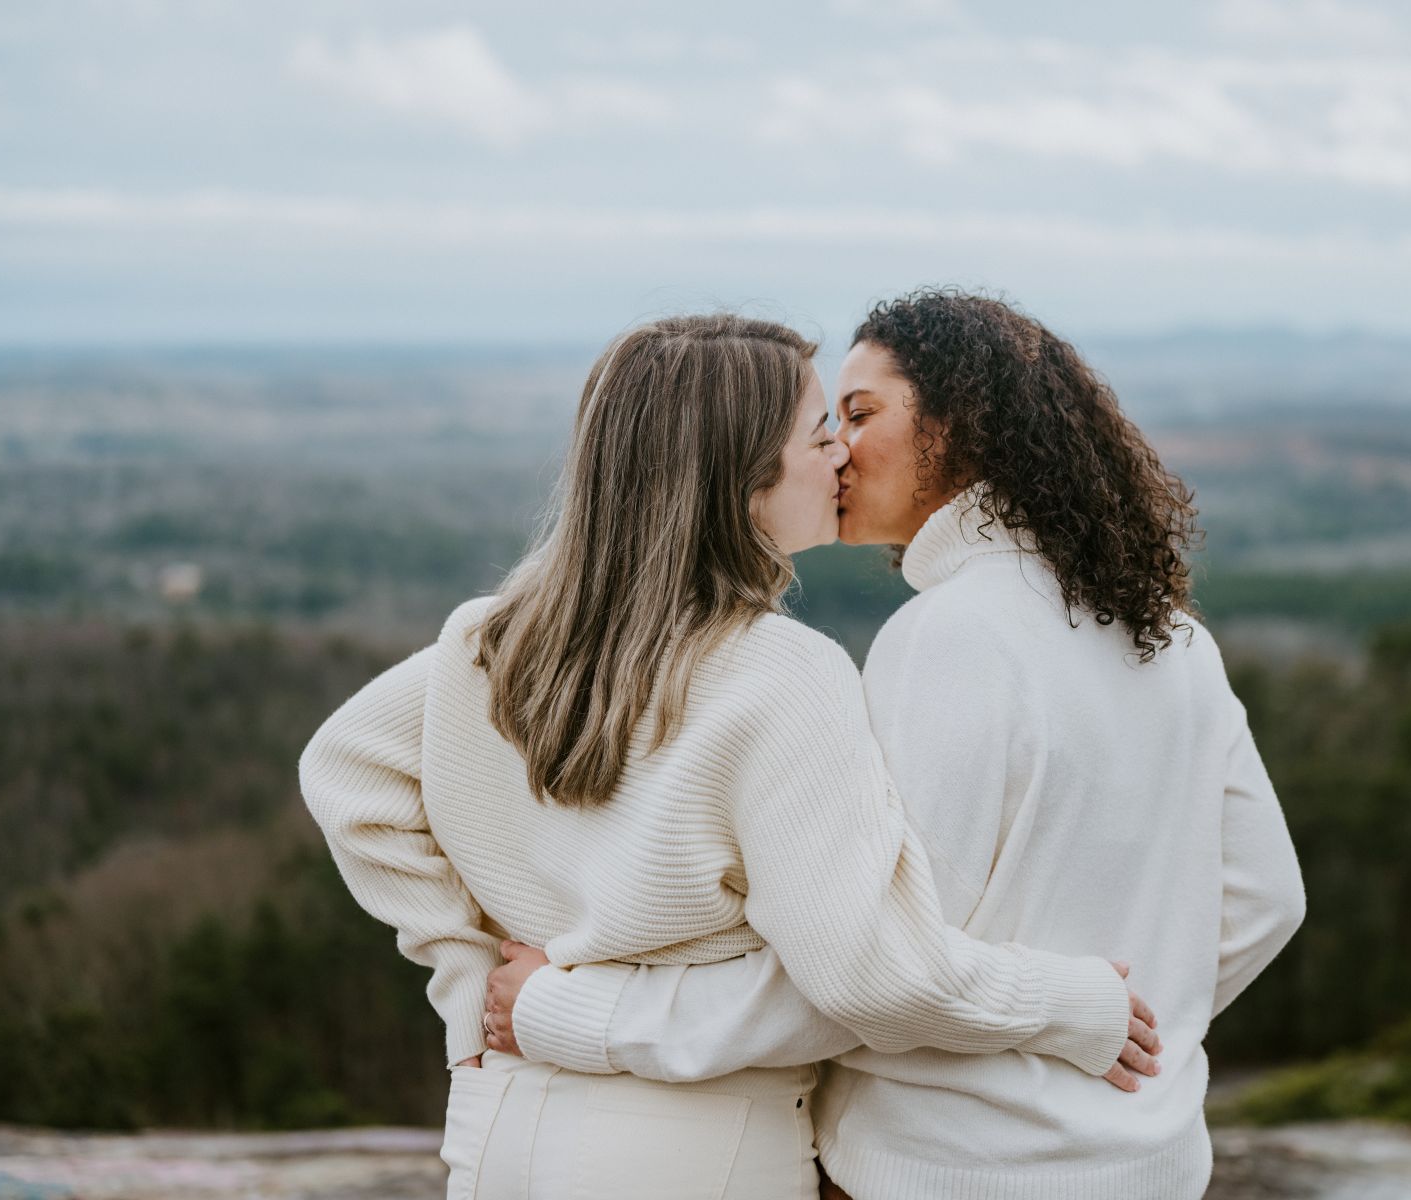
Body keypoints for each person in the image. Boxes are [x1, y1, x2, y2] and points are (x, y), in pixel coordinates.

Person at [298, 313, 1160, 1200]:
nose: (841, 458)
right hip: (692, 1143)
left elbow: (344, 769)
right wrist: (1070, 1006)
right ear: (741, 479)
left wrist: (466, 977)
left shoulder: (496, 636)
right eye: (820, 433)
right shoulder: (784, 674)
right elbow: (867, 976)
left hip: (499, 1129)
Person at [482, 291, 1307, 1200]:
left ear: (961, 429)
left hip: (951, 1166)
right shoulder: (1175, 640)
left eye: (863, 414)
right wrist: (1137, 1026)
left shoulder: (950, 636)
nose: (838, 448)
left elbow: (866, 971)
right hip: (1148, 1163)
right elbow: (1266, 900)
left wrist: (580, 1013)